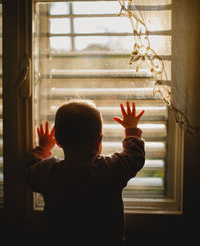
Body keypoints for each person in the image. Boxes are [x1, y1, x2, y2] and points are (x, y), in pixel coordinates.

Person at [24, 100, 145, 245]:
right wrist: (131, 129)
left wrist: (43, 148)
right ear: (98, 142)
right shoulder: (108, 169)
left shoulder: (49, 171)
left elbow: (29, 173)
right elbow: (133, 158)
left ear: (58, 142)